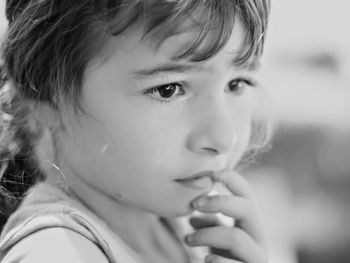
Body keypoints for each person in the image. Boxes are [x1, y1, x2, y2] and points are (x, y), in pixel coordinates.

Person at [0, 0, 271, 262]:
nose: (223, 138)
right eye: (168, 90)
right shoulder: (55, 253)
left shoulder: (193, 230)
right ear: (47, 98)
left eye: (237, 83)